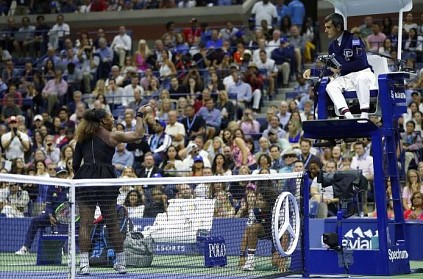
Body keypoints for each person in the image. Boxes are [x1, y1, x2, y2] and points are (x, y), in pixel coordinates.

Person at [72, 105, 150, 275]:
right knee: (112, 222)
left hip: (85, 179)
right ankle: (121, 263)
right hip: (106, 178)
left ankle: (84, 265)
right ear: (103, 121)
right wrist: (140, 115)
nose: (113, 119)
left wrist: (83, 174)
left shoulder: (82, 138)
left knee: (85, 223)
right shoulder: (112, 136)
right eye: (110, 117)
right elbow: (138, 134)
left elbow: (74, 164)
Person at [303, 13, 375, 120]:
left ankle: (364, 114)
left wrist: (341, 68)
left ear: (338, 27)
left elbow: (361, 63)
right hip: (346, 77)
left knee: (361, 79)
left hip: (363, 73)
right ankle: (348, 115)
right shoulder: (332, 46)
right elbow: (332, 70)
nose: (326, 30)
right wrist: (312, 72)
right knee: (331, 86)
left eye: (328, 27)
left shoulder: (354, 39)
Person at [15, 166, 69, 256]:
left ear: (66, 175)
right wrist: (50, 215)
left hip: (66, 217)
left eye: (64, 174)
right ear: (57, 175)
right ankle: (26, 248)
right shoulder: (52, 187)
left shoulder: (70, 187)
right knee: (35, 221)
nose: (62, 176)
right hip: (52, 216)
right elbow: (48, 203)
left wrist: (64, 216)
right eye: (60, 174)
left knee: (64, 230)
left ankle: (61, 249)